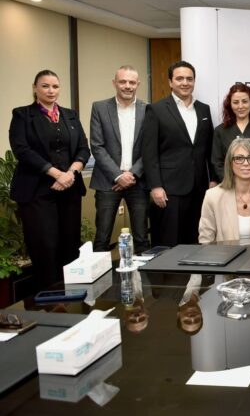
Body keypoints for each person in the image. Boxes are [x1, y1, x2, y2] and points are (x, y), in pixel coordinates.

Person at [9, 70, 90, 290]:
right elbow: (22, 150)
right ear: (35, 88)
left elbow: (83, 149)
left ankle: (71, 297)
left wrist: (70, 174)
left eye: (55, 86)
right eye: (45, 86)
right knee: (45, 246)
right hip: (36, 191)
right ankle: (49, 298)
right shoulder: (22, 115)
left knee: (70, 244)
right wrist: (56, 174)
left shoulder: (70, 115)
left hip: (69, 189)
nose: (51, 90)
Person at [142, 61, 216, 247]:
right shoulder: (156, 109)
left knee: (196, 241)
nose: (185, 83)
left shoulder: (204, 109)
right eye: (180, 78)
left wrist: (213, 179)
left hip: (199, 188)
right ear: (170, 82)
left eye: (189, 79)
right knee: (169, 242)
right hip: (170, 189)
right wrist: (155, 186)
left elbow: (209, 148)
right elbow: (149, 152)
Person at [89, 65, 150, 252]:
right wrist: (118, 176)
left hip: (138, 182)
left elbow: (150, 148)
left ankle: (144, 272)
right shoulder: (99, 108)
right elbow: (97, 146)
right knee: (102, 237)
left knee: (142, 238)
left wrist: (132, 174)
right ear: (114, 83)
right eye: (123, 81)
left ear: (138, 84)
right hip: (108, 181)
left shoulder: (148, 109)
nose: (127, 86)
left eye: (132, 82)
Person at [199, 138, 250, 244]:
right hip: (224, 255)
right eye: (239, 158)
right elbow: (206, 242)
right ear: (230, 163)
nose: (246, 163)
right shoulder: (212, 197)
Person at [211, 83, 250, 185]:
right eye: (235, 102)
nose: (240, 106)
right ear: (230, 105)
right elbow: (217, 162)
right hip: (229, 186)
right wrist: (233, 183)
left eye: (245, 101)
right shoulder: (220, 130)